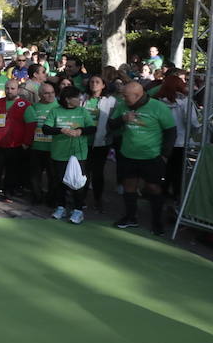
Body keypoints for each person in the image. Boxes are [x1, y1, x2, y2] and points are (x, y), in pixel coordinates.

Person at [109, 80, 177, 235]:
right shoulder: (123, 106)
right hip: (128, 154)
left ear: (138, 95)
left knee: (153, 188)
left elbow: (171, 131)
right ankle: (131, 217)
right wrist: (123, 119)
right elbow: (111, 125)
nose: (123, 99)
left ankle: (157, 222)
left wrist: (165, 155)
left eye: (126, 96)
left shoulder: (158, 107)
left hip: (151, 156)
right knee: (129, 186)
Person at [41, 87, 94, 224]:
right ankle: (61, 207)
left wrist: (80, 131)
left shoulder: (82, 111)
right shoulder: (55, 111)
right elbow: (46, 128)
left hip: (79, 153)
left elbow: (92, 128)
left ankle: (78, 210)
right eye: (77, 97)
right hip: (59, 153)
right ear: (68, 99)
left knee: (78, 182)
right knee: (60, 181)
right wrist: (61, 130)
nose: (80, 99)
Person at [0, 79, 31, 202]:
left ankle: (8, 193)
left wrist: (26, 142)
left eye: (12, 88)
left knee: (12, 171)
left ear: (18, 90)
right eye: (7, 88)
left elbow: (31, 125)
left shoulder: (25, 105)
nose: (9, 91)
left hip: (15, 144)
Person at [85, 74, 116, 212]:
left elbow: (114, 120)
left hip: (101, 143)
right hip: (83, 142)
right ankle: (81, 199)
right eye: (92, 82)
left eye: (97, 82)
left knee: (97, 173)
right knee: (83, 172)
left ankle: (98, 200)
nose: (94, 84)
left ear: (104, 85)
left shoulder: (111, 101)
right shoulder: (82, 99)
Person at [24, 83, 58, 205]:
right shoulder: (33, 107)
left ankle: (51, 199)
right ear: (39, 95)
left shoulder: (59, 107)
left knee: (53, 176)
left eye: (52, 92)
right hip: (36, 147)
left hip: (53, 148)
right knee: (34, 175)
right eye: (46, 93)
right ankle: (37, 197)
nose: (50, 95)